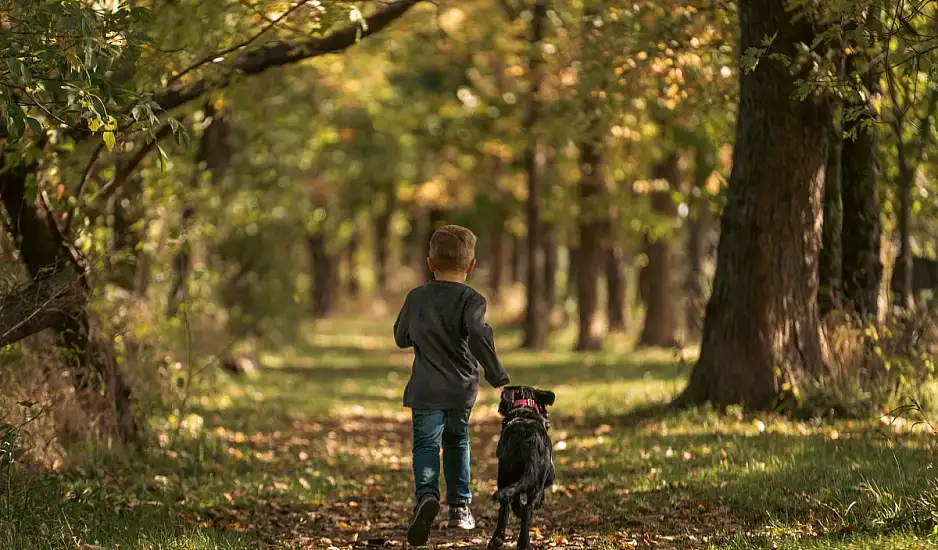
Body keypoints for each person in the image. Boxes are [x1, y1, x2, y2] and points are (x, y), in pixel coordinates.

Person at [393, 224, 510, 546]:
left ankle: (426, 497)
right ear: (471, 266)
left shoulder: (416, 297)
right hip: (461, 389)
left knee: (426, 445)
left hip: (425, 388)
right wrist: (497, 374)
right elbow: (478, 334)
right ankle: (459, 508)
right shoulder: (473, 299)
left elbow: (401, 337)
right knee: (458, 442)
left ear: (430, 263)